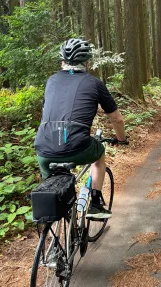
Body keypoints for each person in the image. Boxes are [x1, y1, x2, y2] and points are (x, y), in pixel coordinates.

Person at [34, 38, 128, 219]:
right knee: (99, 155)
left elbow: (46, 113)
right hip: (77, 145)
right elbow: (116, 118)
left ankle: (58, 228)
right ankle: (95, 203)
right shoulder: (94, 83)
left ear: (63, 61)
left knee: (53, 194)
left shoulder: (51, 81)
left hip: (44, 147)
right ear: (87, 62)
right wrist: (121, 140)